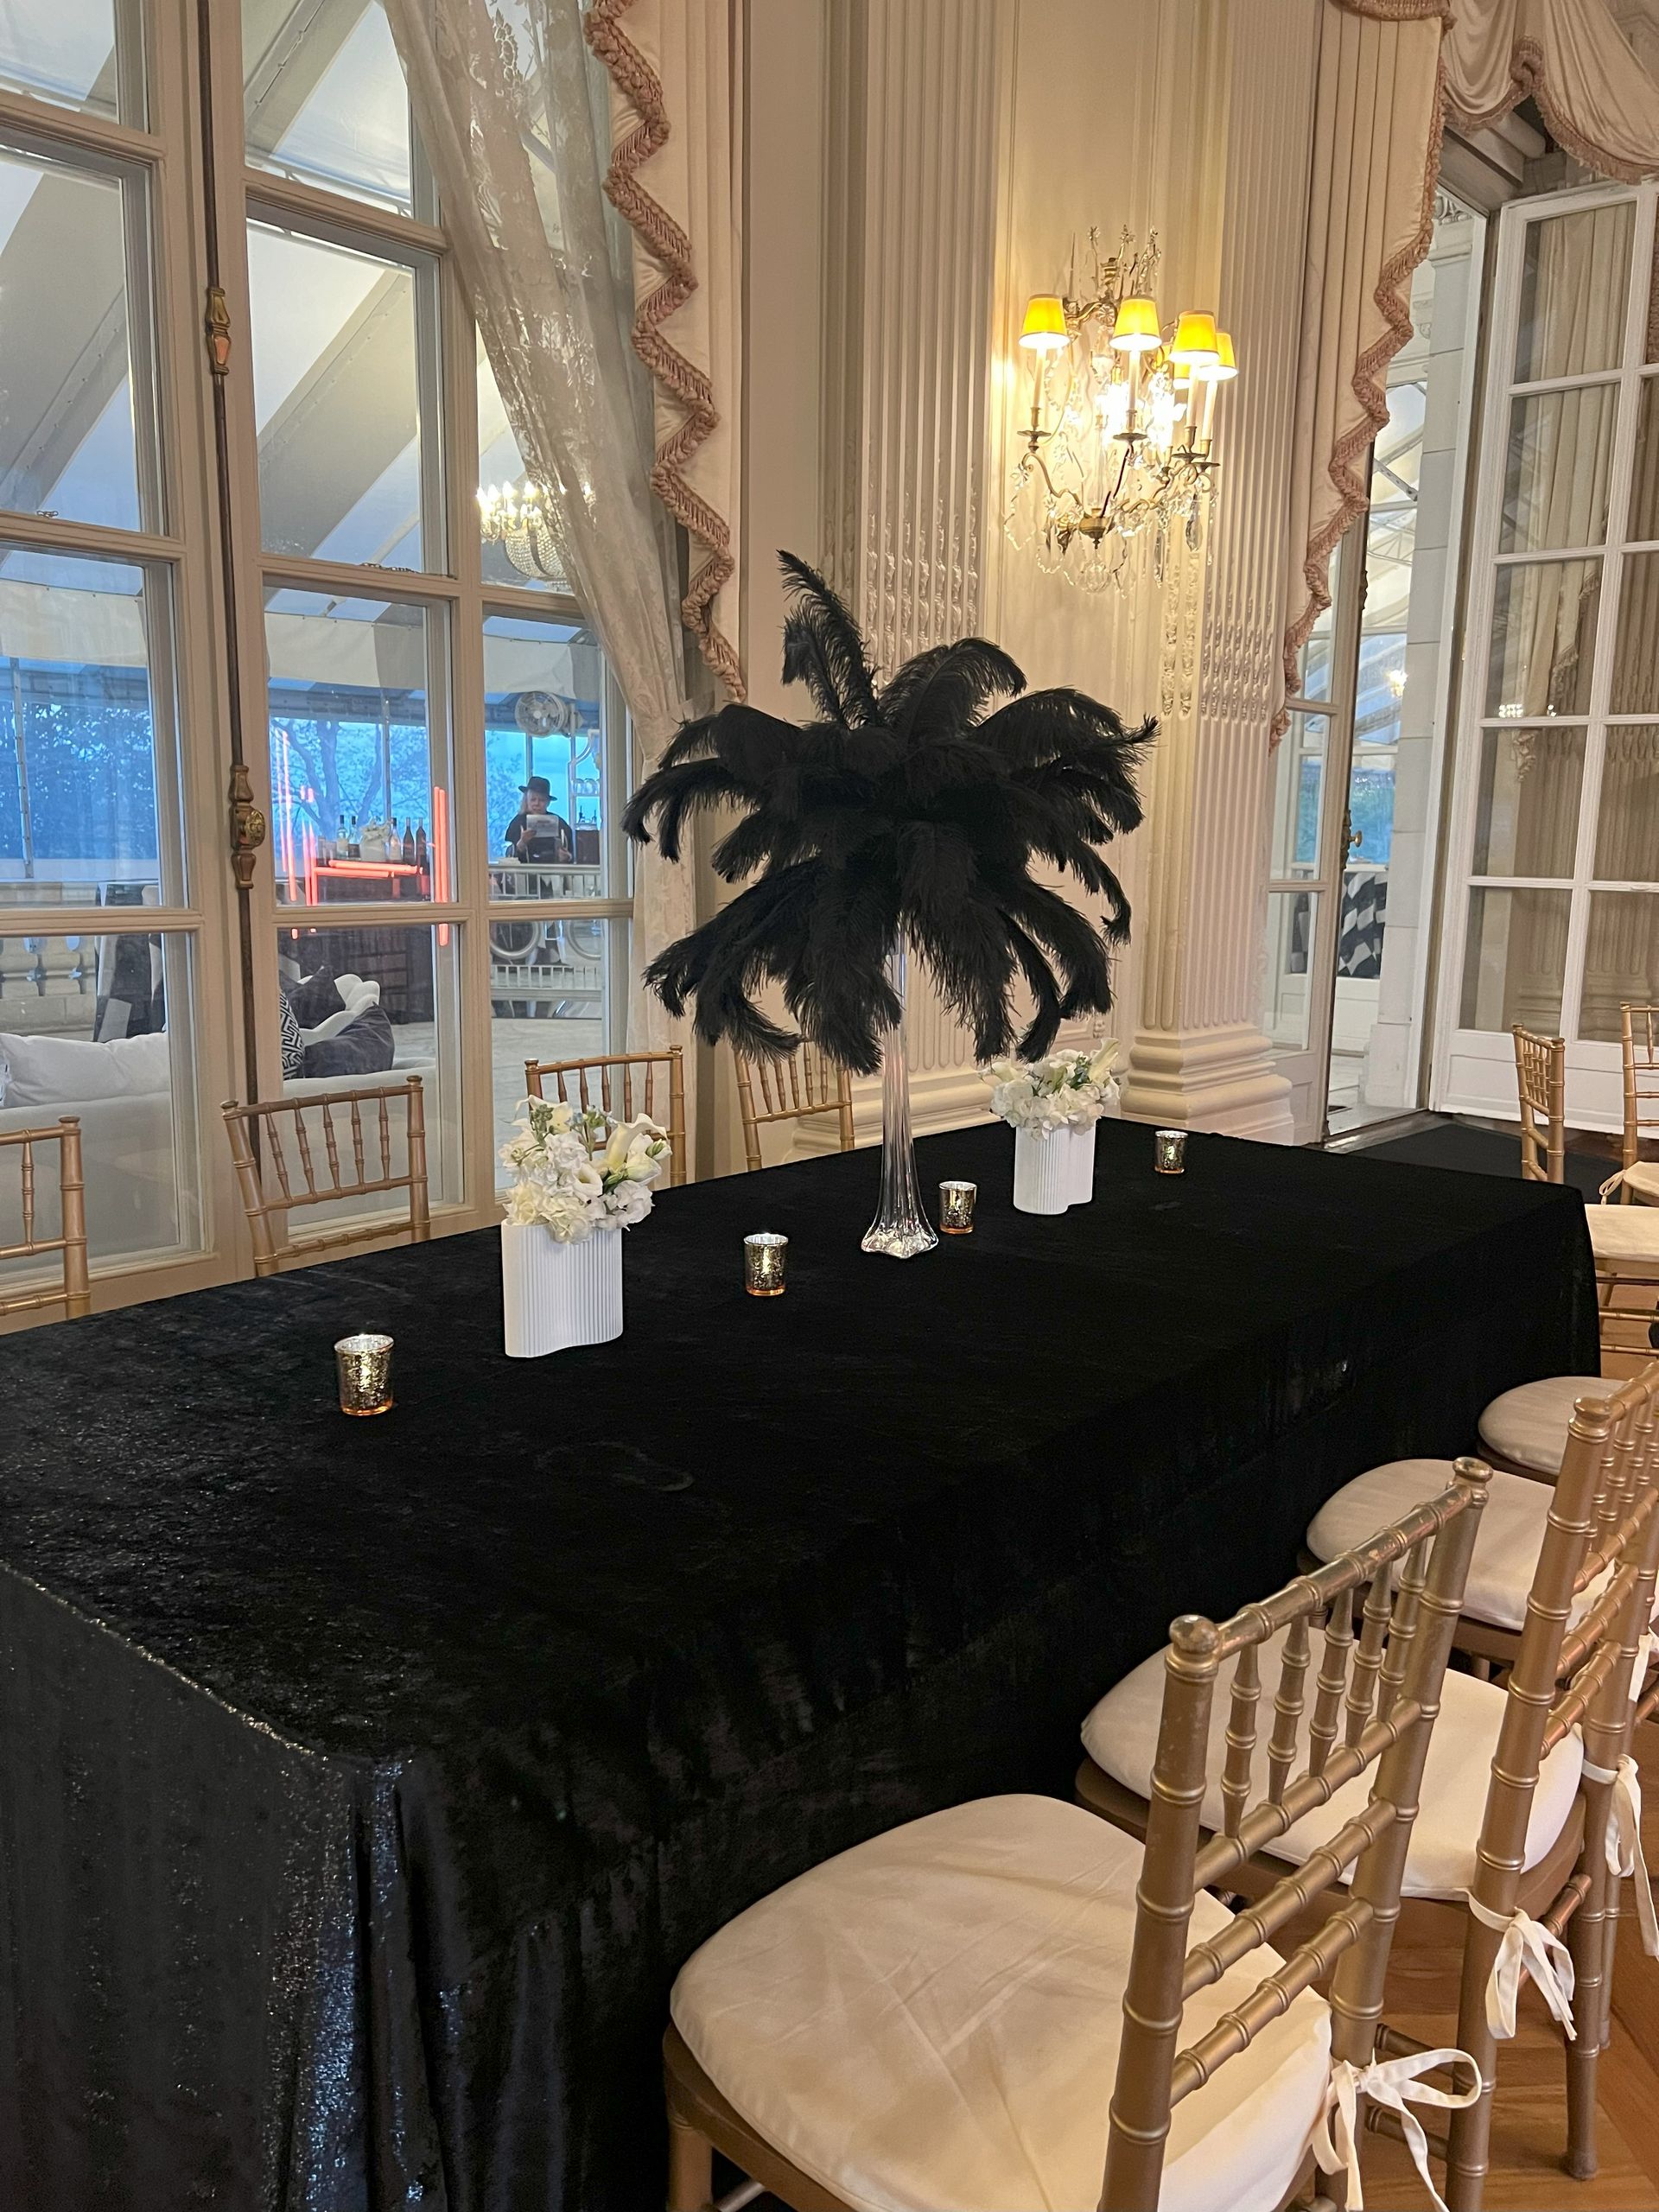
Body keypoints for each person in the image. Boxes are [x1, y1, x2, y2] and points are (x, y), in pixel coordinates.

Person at [504, 776, 574, 864]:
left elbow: (571, 855)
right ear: (526, 800)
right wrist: (522, 843)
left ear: (548, 802)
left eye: (542, 800)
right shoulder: (517, 823)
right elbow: (510, 858)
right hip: (525, 871)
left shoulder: (560, 824)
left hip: (553, 870)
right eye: (533, 799)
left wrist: (567, 857)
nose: (537, 803)